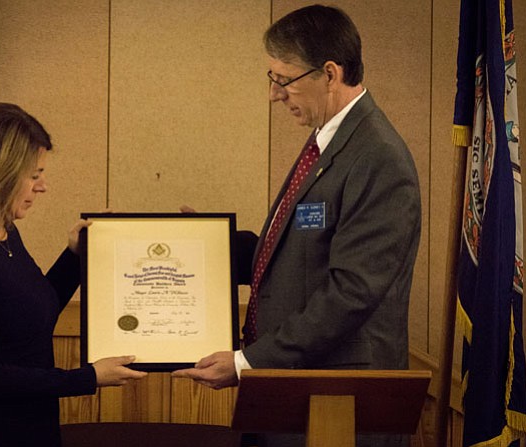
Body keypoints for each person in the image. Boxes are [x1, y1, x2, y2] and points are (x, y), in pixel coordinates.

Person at [173, 5, 421, 447]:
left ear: (329, 74)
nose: (273, 94)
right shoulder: (331, 140)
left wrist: (249, 362)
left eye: (282, 79)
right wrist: (207, 246)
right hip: (297, 395)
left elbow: (351, 292)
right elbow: (299, 253)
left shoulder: (377, 156)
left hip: (336, 404)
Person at [0, 102, 147, 447]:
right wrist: (87, 378)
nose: (42, 187)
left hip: (35, 429)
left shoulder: (5, 233)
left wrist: (74, 255)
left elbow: (36, 311)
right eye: (34, 175)